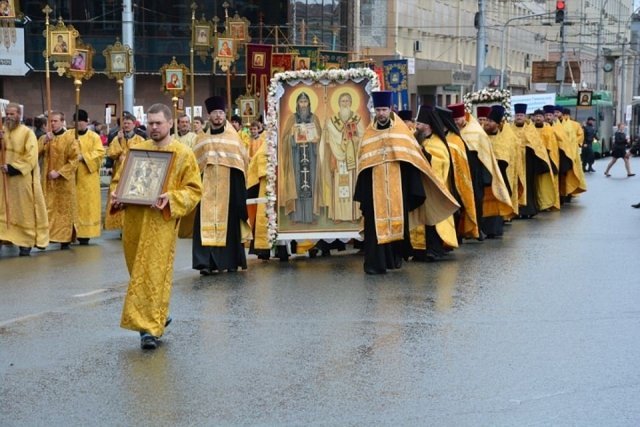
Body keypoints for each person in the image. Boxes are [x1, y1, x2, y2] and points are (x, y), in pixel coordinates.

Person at [110, 103, 202, 350]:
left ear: (170, 123)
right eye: (150, 123)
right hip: (134, 223)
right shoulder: (136, 150)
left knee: (152, 273)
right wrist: (117, 197)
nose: (153, 127)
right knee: (137, 273)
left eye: (158, 123)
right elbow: (119, 182)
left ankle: (148, 330)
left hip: (161, 224)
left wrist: (171, 198)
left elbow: (193, 190)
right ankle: (157, 314)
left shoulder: (183, 154)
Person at [353, 91, 459, 274]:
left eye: (384, 109)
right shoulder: (368, 134)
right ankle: (374, 264)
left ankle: (393, 259)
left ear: (391, 109)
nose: (381, 113)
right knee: (374, 227)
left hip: (397, 187)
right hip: (374, 190)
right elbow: (363, 163)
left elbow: (413, 155)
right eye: (378, 110)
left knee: (398, 223)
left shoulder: (401, 131)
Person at [191, 95, 250, 275]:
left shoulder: (234, 138)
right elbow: (194, 165)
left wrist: (239, 192)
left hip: (229, 188)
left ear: (224, 115)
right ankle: (206, 263)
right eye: (215, 113)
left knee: (230, 224)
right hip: (206, 188)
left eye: (221, 113)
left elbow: (243, 161)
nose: (218, 116)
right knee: (204, 223)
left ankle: (230, 261)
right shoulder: (201, 139)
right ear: (209, 116)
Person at [447, 102, 512, 239]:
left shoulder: (476, 133)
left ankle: (476, 229)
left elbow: (486, 156)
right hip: (457, 172)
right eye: (453, 120)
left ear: (463, 117)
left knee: (476, 202)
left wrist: (485, 178)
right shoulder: (450, 133)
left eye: (457, 119)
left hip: (475, 174)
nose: (455, 122)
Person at [0, 103, 49, 256]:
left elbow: (31, 156)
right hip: (3, 180)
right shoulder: (2, 131)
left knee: (22, 210)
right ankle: (3, 237)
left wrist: (12, 167)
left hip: (20, 180)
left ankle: (25, 241)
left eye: (12, 114)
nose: (9, 116)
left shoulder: (27, 133)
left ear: (19, 115)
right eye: (7, 113)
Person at [411, 105, 458, 261]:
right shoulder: (420, 138)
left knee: (433, 220)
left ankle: (435, 249)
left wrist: (423, 153)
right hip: (421, 186)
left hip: (434, 188)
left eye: (419, 123)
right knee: (422, 219)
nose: (416, 125)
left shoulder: (438, 142)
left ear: (428, 125)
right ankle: (420, 250)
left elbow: (440, 163)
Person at [321, 91, 364, 222]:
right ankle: (338, 215)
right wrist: (329, 134)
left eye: (347, 101)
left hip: (352, 156)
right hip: (338, 157)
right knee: (338, 185)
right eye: (342, 101)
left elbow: (362, 136)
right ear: (338, 104)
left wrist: (355, 139)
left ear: (351, 103)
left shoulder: (357, 119)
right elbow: (330, 138)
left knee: (352, 185)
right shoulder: (332, 121)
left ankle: (353, 215)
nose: (345, 103)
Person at [38, 111, 80, 249]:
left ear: (62, 121)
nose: (53, 124)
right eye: (50, 121)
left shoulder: (70, 138)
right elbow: (34, 154)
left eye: (55, 121)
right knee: (47, 208)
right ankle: (45, 238)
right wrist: (44, 141)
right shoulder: (45, 138)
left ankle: (64, 238)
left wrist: (60, 173)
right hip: (48, 181)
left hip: (64, 182)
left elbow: (74, 160)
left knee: (63, 211)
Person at [280, 91, 323, 224]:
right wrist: (292, 135)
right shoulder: (292, 119)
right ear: (297, 103)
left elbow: (320, 136)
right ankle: (296, 216)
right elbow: (284, 139)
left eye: (305, 102)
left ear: (309, 103)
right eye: (301, 102)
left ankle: (311, 216)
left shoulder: (314, 118)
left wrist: (317, 140)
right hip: (296, 156)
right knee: (297, 184)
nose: (303, 104)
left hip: (311, 154)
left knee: (311, 184)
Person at [510, 103, 557, 217]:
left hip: (528, 163)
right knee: (515, 186)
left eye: (521, 115)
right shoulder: (510, 129)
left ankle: (528, 210)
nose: (519, 117)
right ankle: (515, 210)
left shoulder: (531, 129)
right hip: (514, 164)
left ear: (525, 116)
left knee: (529, 187)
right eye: (517, 115)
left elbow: (537, 146)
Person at [482, 105, 521, 237]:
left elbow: (507, 158)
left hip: (501, 175)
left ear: (498, 125)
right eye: (487, 120)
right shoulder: (481, 136)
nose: (487, 123)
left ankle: (495, 230)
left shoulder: (505, 139)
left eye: (491, 121)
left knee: (497, 201)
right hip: (484, 175)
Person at [105, 112, 146, 230]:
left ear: (134, 124)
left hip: (134, 173)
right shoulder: (117, 137)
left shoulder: (140, 139)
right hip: (119, 172)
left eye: (129, 123)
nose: (126, 125)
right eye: (125, 123)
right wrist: (118, 141)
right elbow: (111, 153)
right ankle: (120, 224)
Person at [73, 109, 105, 245]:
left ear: (86, 122)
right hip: (72, 176)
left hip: (87, 176)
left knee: (86, 206)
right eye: (76, 121)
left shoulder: (94, 137)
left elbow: (99, 154)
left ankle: (85, 234)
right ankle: (70, 232)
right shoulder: (70, 136)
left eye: (81, 121)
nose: (79, 124)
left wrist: (84, 157)